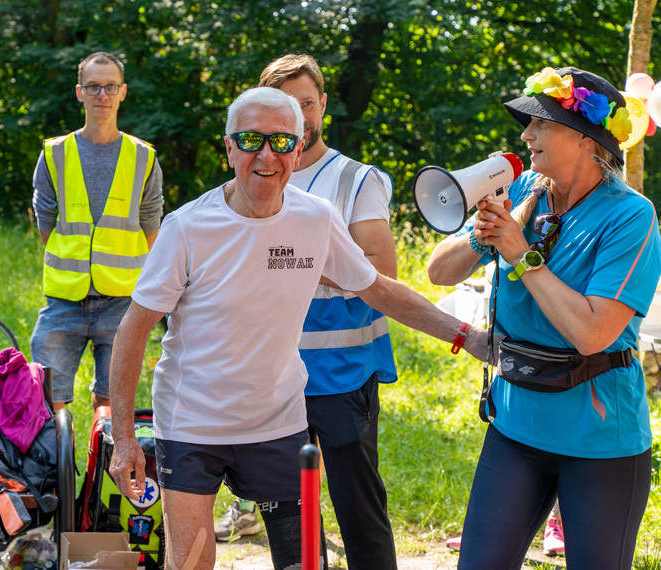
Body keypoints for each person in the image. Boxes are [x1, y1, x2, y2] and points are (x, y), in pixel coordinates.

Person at [108, 86, 488, 570]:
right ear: (229, 148)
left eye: (282, 142)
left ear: (299, 147)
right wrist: (123, 439)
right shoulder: (188, 228)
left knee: (304, 563)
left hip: (278, 423)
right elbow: (133, 329)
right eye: (251, 140)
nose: (266, 155)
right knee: (192, 564)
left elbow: (378, 289)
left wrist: (469, 337)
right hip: (193, 424)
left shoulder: (315, 218)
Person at [427, 66, 661, 569]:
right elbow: (438, 273)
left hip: (599, 443)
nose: (525, 135)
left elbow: (593, 332)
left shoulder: (631, 216)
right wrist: (482, 232)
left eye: (541, 124)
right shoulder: (525, 188)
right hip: (516, 427)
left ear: (584, 138)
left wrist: (518, 251)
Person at [213, 54, 400, 569]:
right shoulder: (252, 174)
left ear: (323, 108)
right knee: (291, 523)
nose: (300, 115)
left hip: (340, 376)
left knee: (359, 516)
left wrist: (290, 259)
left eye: (308, 104)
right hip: (271, 379)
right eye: (286, 106)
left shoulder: (355, 180)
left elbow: (382, 269)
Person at [30, 52, 163, 410]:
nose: (101, 94)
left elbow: (152, 226)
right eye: (93, 87)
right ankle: (55, 466)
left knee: (112, 410)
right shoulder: (54, 153)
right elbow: (45, 221)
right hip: (64, 301)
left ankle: (100, 465)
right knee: (46, 405)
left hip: (122, 303)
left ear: (122, 92)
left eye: (109, 86)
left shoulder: (143, 157)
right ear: (79, 92)